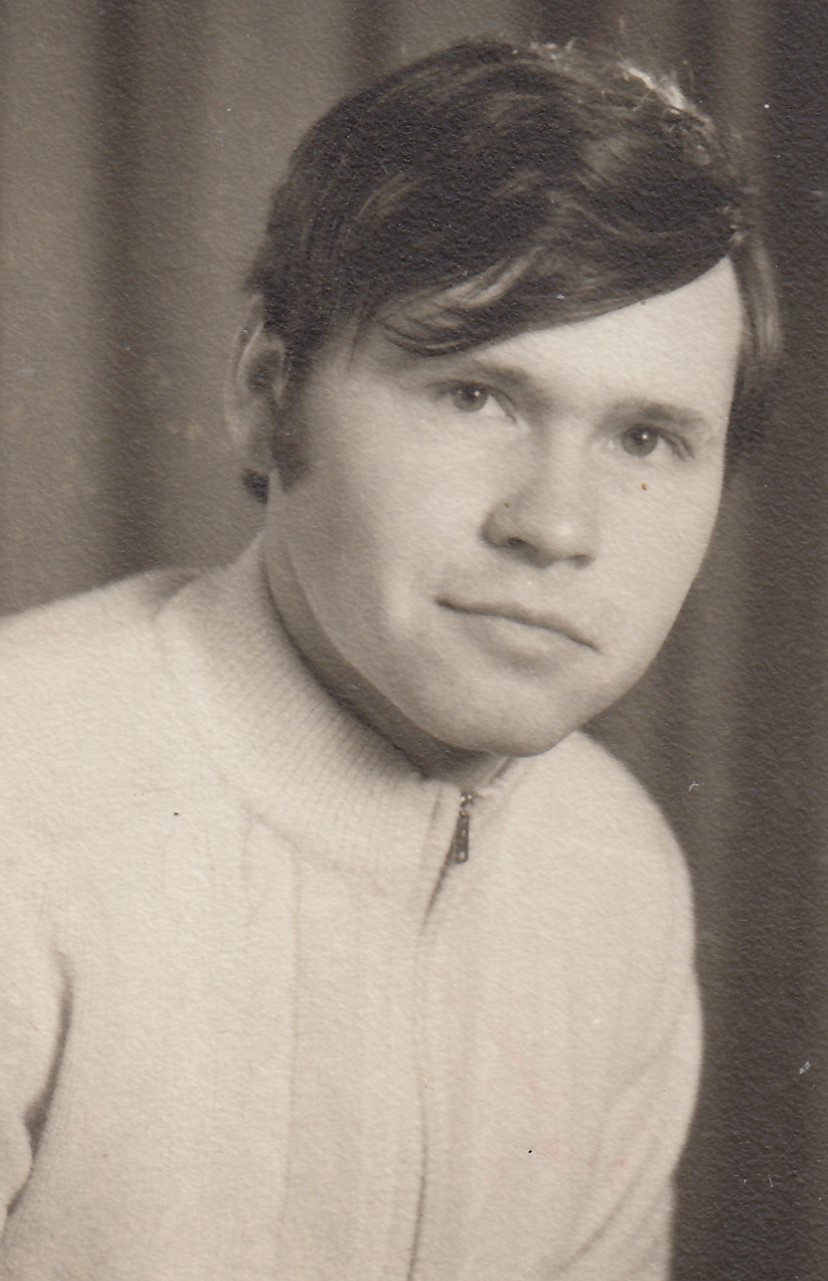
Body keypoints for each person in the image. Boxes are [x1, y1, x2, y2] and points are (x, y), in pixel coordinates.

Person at [0, 37, 778, 1281]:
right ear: (268, 393)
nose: (557, 526)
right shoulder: (22, 808)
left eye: (646, 438)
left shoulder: (617, 871)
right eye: (477, 397)